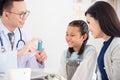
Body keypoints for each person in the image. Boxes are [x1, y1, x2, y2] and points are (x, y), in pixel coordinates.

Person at [0, 0, 47, 73]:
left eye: (25, 13)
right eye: (21, 14)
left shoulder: (26, 36)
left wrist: (38, 60)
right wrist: (18, 53)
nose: (25, 18)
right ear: (6, 15)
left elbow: (31, 71)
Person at [85, 1, 120, 80]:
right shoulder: (106, 44)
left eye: (89, 22)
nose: (89, 29)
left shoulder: (117, 45)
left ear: (100, 20)